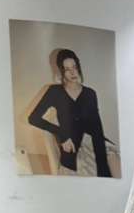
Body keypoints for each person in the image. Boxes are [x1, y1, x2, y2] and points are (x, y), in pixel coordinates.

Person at [27, 48, 115, 177]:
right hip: (72, 151)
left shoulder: (90, 93)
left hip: (93, 143)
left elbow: (97, 129)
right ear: (61, 71)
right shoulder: (55, 92)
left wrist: (103, 168)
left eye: (74, 67)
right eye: (67, 69)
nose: (73, 72)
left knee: (114, 162)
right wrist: (62, 135)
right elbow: (33, 118)